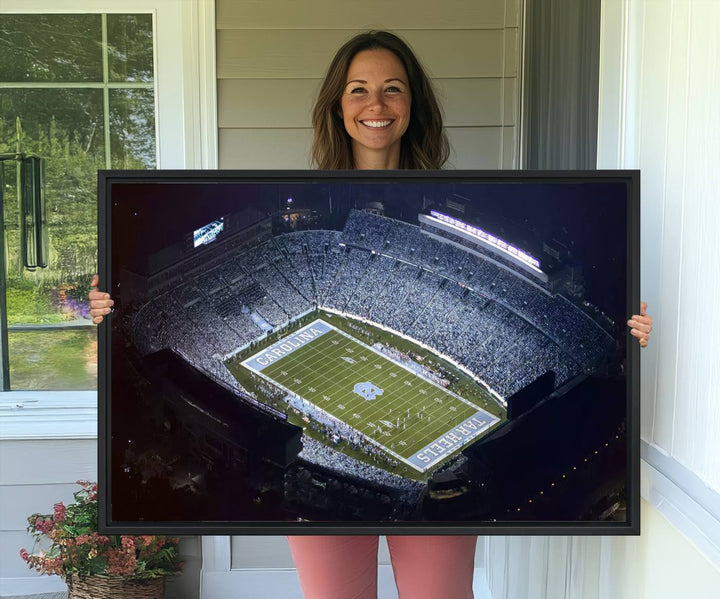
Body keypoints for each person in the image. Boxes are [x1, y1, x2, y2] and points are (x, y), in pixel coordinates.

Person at [89, 30, 653, 599]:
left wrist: (630, 334)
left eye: (392, 89)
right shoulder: (302, 202)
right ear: (338, 104)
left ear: (413, 105)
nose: (376, 105)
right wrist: (106, 311)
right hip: (323, 504)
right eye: (359, 90)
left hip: (428, 501)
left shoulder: (465, 195)